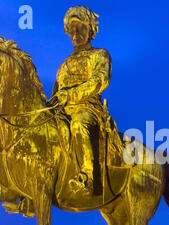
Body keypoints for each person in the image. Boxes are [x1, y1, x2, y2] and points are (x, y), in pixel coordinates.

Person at [49, 5, 120, 195]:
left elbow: (100, 81)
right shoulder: (63, 65)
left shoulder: (100, 55)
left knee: (78, 125)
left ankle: (87, 177)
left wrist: (70, 95)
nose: (76, 33)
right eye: (72, 29)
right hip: (62, 111)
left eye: (80, 27)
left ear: (90, 29)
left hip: (88, 109)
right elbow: (55, 94)